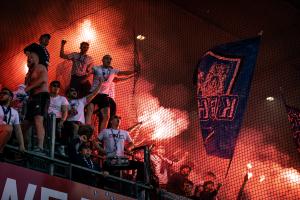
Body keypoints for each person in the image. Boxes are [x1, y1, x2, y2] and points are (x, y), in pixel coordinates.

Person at [85, 54, 136, 132]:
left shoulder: (113, 71)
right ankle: (85, 131)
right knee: (89, 111)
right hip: (93, 93)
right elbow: (89, 71)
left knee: (107, 116)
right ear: (102, 60)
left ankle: (102, 135)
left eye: (110, 59)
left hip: (104, 95)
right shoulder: (96, 68)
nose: (109, 60)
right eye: (106, 58)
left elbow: (123, 73)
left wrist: (133, 72)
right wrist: (88, 69)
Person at [98, 115, 144, 182]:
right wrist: (100, 149)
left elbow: (131, 143)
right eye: (116, 118)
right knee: (106, 175)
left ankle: (140, 184)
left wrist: (129, 148)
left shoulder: (124, 132)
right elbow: (95, 141)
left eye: (119, 119)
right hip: (110, 159)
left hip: (120, 161)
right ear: (111, 121)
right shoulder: (105, 131)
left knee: (141, 165)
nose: (118, 120)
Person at [23, 43, 49, 153]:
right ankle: (24, 145)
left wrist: (28, 88)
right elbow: (26, 87)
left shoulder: (40, 67)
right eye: (27, 57)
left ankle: (40, 147)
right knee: (25, 124)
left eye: (30, 56)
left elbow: (43, 79)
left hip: (41, 96)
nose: (28, 58)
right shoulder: (29, 73)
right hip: (33, 98)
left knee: (38, 119)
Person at [0, 88, 25, 161]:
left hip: (6, 136)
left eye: (4, 93)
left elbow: (18, 130)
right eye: (0, 93)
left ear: (10, 97)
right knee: (9, 128)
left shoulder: (15, 112)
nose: (1, 94)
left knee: (10, 128)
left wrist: (21, 145)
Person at [48, 80, 69, 155]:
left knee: (68, 126)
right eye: (54, 85)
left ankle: (61, 146)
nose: (56, 87)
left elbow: (65, 111)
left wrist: (62, 121)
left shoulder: (62, 99)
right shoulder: (46, 96)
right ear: (50, 87)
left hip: (57, 119)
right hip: (47, 117)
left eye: (58, 86)